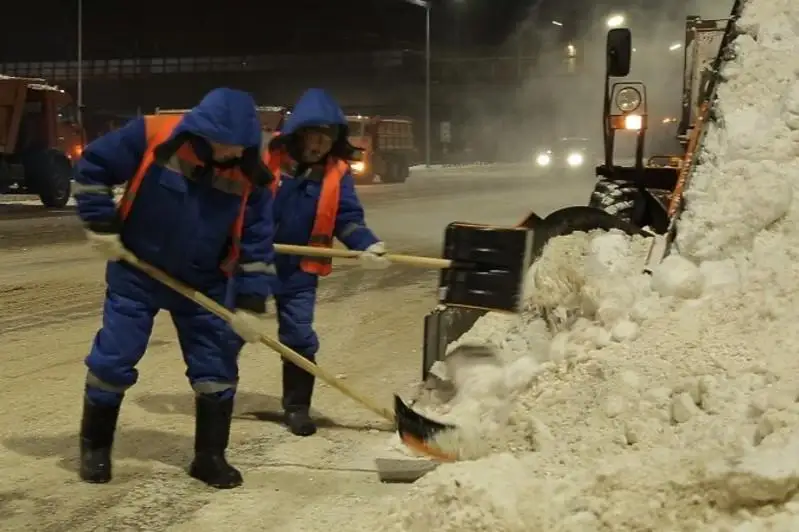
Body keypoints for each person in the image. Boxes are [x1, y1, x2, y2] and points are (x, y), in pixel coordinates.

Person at [72, 88, 276, 489]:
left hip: (205, 282)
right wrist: (101, 223)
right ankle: (95, 448)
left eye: (240, 146)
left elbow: (257, 244)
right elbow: (93, 167)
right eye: (224, 144)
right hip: (137, 271)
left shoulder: (253, 174)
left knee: (216, 368)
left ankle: (210, 457)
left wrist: (251, 302)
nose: (232, 154)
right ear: (202, 132)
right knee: (114, 359)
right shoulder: (153, 134)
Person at [264, 88, 390, 437]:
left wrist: (366, 244)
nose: (320, 145)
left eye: (327, 138)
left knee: (300, 337)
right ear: (299, 133)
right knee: (227, 331)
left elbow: (346, 218)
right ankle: (217, 401)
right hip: (253, 262)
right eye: (314, 136)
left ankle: (297, 408)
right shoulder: (267, 157)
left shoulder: (337, 171)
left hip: (299, 269)